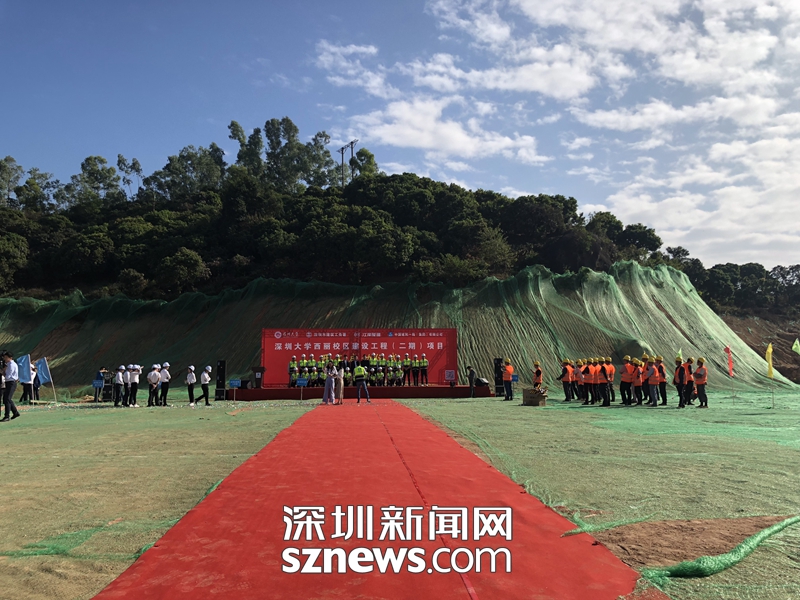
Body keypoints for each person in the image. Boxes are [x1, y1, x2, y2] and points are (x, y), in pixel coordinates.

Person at [1, 351, 21, 421]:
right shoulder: (8, 364)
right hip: (9, 382)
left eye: (6, 357)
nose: (4, 359)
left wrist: (3, 373)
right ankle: (15, 412)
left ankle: (7, 416)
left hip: (11, 382)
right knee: (7, 398)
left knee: (7, 399)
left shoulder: (11, 365)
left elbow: (9, 375)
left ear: (10, 358)